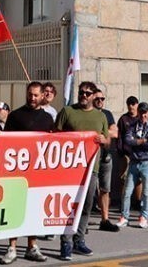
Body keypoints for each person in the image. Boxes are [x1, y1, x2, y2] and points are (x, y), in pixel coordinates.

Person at [54, 81, 109, 260]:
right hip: (69, 169)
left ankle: (79, 240)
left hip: (91, 169)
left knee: (86, 206)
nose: (83, 96)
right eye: (81, 93)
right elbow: (54, 136)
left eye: (87, 93)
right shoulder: (67, 112)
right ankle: (66, 243)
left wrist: (103, 139)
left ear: (94, 96)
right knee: (69, 206)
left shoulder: (100, 117)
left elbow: (107, 140)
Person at [0, 82, 52, 264]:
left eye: (36, 95)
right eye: (30, 94)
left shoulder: (47, 118)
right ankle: (12, 247)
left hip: (38, 174)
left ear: (42, 96)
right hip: (17, 173)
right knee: (15, 210)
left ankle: (32, 247)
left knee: (34, 211)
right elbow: (6, 143)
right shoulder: (15, 116)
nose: (32, 98)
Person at [117, 102, 148, 230]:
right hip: (134, 162)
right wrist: (141, 141)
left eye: (145, 113)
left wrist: (137, 142)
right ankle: (124, 216)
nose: (143, 115)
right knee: (127, 191)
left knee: (146, 192)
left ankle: (144, 217)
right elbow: (127, 140)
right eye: (141, 112)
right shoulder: (133, 125)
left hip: (147, 162)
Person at [91, 91, 119, 231]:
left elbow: (115, 132)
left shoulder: (107, 114)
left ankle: (105, 219)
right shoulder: (89, 114)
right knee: (89, 189)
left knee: (105, 189)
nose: (100, 101)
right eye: (97, 99)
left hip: (105, 156)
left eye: (102, 98)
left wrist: (102, 135)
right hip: (90, 157)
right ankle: (82, 221)